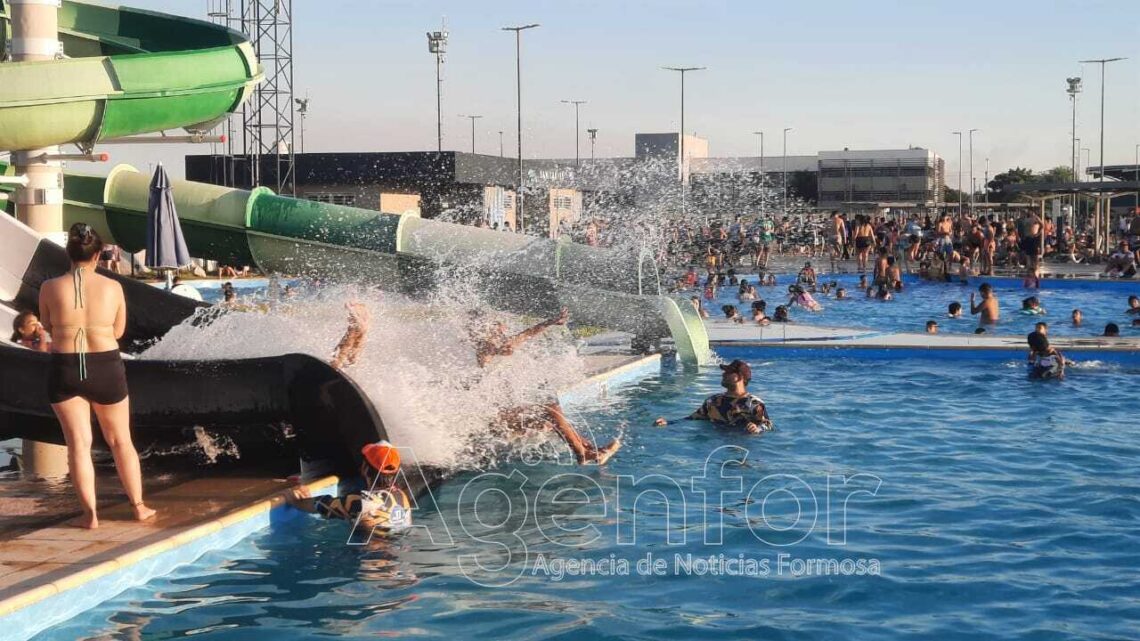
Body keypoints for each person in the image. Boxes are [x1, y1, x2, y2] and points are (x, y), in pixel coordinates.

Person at [39, 223, 154, 528]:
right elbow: (117, 331)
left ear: (69, 252)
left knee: (78, 444)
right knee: (120, 441)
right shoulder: (113, 287)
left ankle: (90, 515)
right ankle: (139, 507)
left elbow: (48, 326)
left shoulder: (49, 287)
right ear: (99, 254)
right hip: (105, 364)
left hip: (65, 365)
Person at [471, 308, 620, 464]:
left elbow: (524, 335)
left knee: (552, 417)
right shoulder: (485, 348)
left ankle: (592, 450)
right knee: (550, 410)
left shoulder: (493, 345)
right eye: (496, 325)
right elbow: (514, 343)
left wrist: (550, 322)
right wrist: (549, 322)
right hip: (496, 419)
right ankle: (582, 454)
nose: (502, 327)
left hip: (505, 414)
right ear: (485, 329)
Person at [286, 441, 412, 533]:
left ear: (365, 469)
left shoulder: (362, 501)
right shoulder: (402, 496)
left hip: (371, 563)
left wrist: (293, 498)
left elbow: (321, 506)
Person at [653, 360, 772, 434]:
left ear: (739, 377)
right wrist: (668, 423)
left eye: (728, 372)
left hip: (743, 444)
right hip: (715, 444)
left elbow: (767, 425)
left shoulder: (754, 404)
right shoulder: (713, 401)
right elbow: (693, 418)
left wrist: (757, 429)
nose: (723, 374)